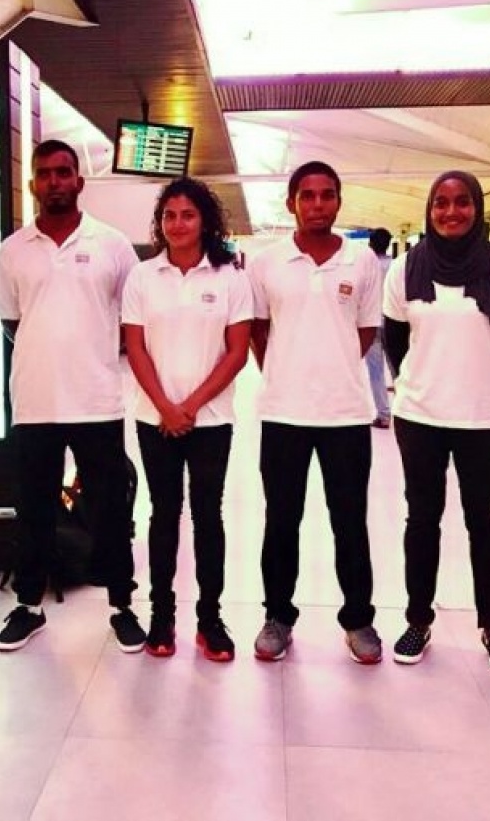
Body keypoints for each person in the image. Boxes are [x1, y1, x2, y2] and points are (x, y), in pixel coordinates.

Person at [0, 139, 144, 652]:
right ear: (32, 183)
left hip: (96, 399)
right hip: (34, 401)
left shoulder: (112, 245)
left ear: (79, 180)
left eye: (63, 172)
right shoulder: (13, 250)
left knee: (110, 509)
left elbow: (131, 318)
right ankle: (28, 605)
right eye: (45, 173)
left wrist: (88, 351)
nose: (54, 181)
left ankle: (122, 605)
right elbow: (13, 321)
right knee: (33, 508)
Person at [382, 171, 490, 672]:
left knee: (485, 522)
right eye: (441, 203)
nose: (451, 212)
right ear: (429, 209)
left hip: (484, 420)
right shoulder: (406, 268)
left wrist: (487, 383)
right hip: (420, 416)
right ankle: (417, 620)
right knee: (422, 520)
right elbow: (394, 339)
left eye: (462, 202)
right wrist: (419, 381)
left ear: (477, 208)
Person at [248, 160, 385, 664]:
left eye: (327, 195)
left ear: (339, 201)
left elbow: (366, 330)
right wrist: (287, 372)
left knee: (349, 522)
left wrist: (333, 368)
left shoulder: (361, 260)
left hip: (345, 414)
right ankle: (278, 617)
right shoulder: (267, 262)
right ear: (292, 203)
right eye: (307, 195)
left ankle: (359, 619)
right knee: (281, 521)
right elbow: (258, 329)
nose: (317, 204)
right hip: (283, 413)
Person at [122, 178, 253, 661]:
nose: (178, 224)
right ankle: (162, 617)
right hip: (153, 419)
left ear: (205, 221)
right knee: (163, 515)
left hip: (210, 421)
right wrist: (165, 406)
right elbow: (135, 347)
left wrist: (190, 406)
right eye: (169, 215)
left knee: (207, 516)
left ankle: (210, 619)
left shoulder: (229, 278)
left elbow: (237, 352)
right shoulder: (142, 277)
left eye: (188, 215)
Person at [365, 227, 394, 428]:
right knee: (399, 368)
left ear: (371, 244)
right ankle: (405, 411)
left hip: (372, 323)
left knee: (376, 371)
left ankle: (383, 415)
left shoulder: (368, 266)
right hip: (394, 323)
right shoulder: (396, 265)